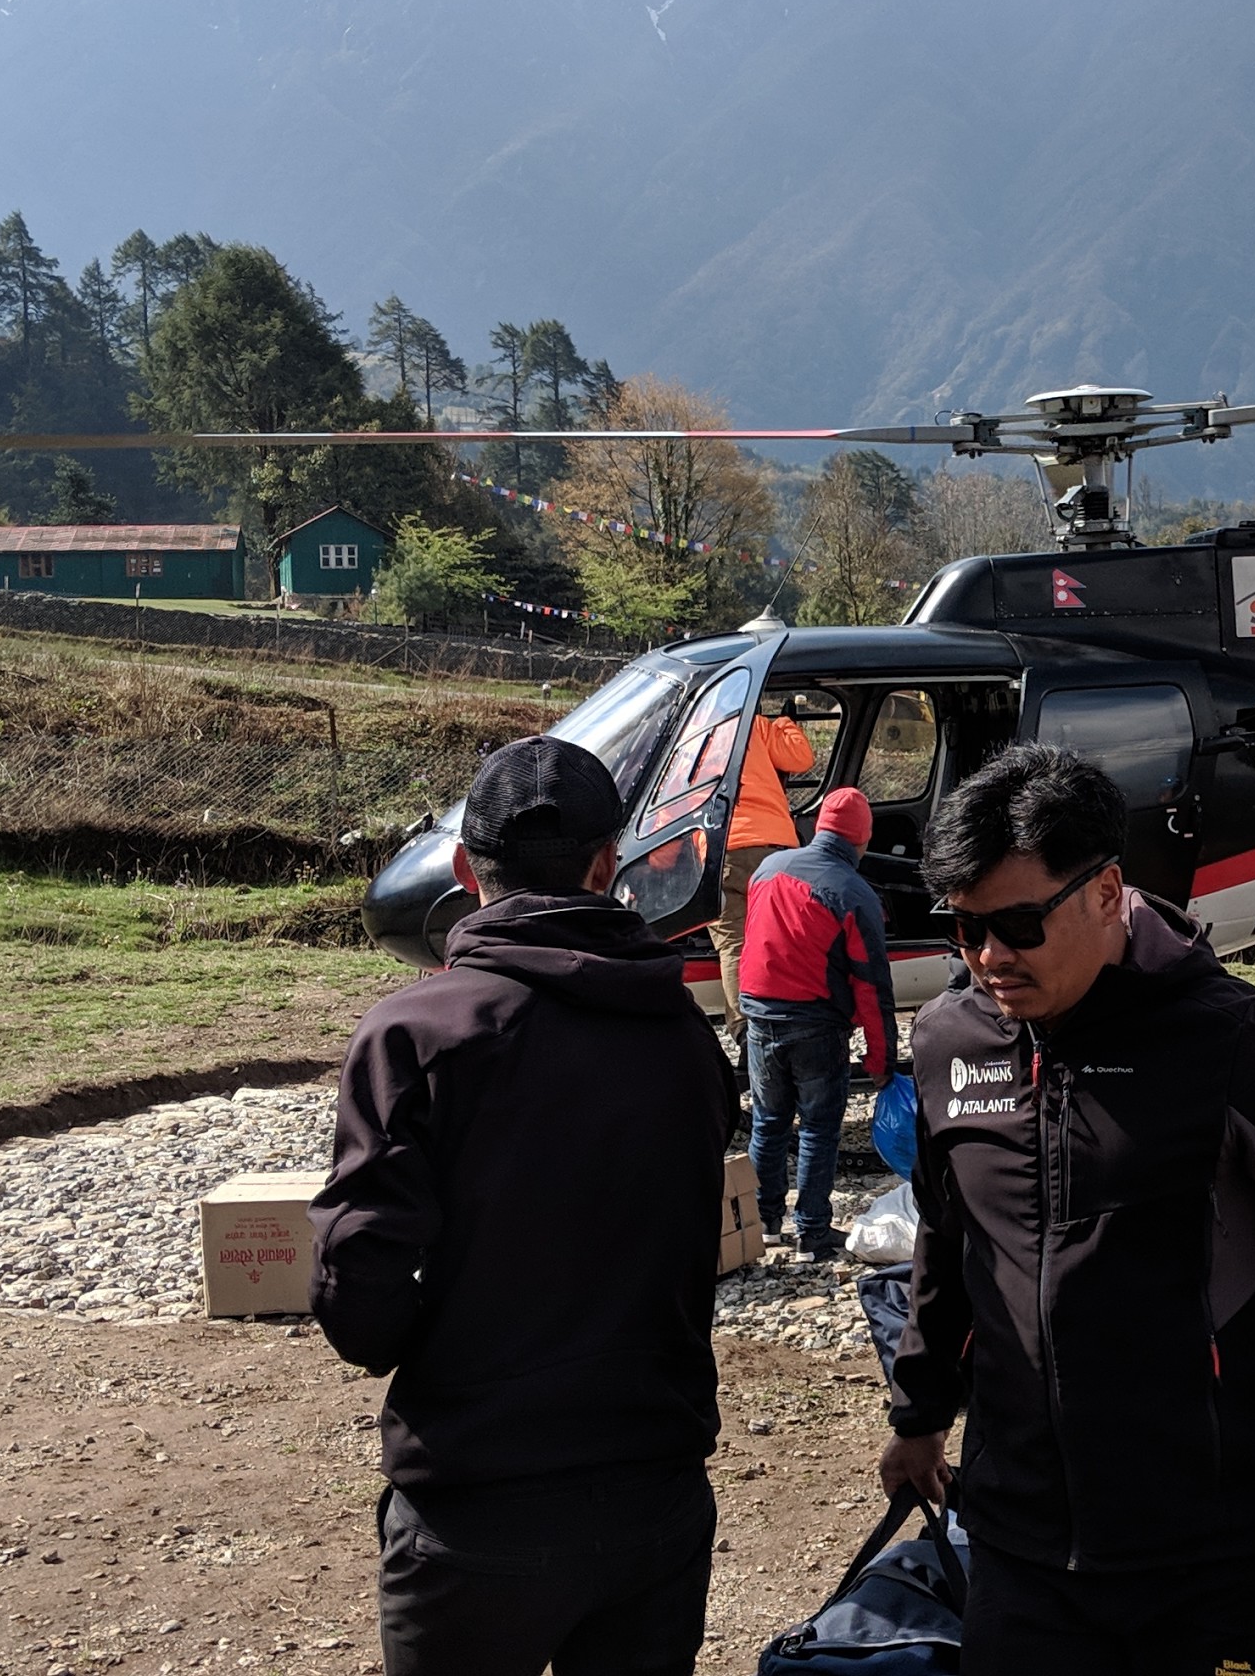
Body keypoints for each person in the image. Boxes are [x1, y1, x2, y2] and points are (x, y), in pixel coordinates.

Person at [878, 743, 1255, 1676]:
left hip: (1214, 1546)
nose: (989, 957)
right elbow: (950, 1241)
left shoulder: (1228, 1040)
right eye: (964, 928)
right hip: (1023, 1540)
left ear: (1106, 892)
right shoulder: (950, 1041)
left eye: (1019, 924)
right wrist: (918, 1417)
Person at [310, 736, 739, 1676]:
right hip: (652, 1486)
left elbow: (362, 1298)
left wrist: (446, 1339)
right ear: (607, 866)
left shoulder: (419, 1033)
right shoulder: (681, 1035)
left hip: (478, 1494)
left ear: (466, 870)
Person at [739, 783, 899, 1259]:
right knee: (817, 1128)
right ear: (863, 841)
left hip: (759, 1016)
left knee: (767, 1123)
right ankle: (811, 1233)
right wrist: (881, 1058)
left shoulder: (768, 869)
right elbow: (873, 987)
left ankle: (764, 1223)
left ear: (818, 826)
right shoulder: (853, 892)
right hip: (816, 1024)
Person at [707, 700, 817, 1039]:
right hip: (775, 847)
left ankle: (745, 1032)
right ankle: (792, 1022)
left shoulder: (690, 738)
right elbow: (801, 757)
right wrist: (784, 721)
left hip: (720, 850)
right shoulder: (753, 725)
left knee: (733, 945)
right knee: (783, 936)